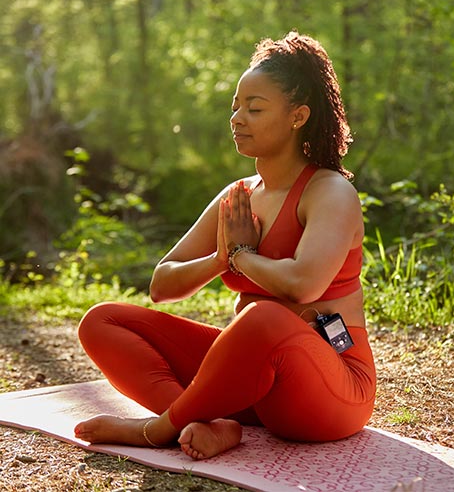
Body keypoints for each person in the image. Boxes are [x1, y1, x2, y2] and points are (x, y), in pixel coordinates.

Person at [74, 31, 376, 461]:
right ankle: (203, 422)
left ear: (298, 116)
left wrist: (241, 257)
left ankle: (159, 429)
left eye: (254, 108)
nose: (237, 118)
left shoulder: (329, 192)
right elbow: (162, 284)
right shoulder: (238, 196)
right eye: (235, 107)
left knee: (264, 318)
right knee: (102, 321)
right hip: (247, 387)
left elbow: (302, 286)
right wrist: (220, 258)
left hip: (330, 386)